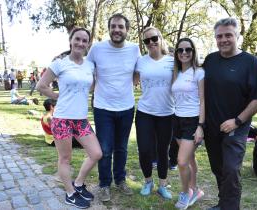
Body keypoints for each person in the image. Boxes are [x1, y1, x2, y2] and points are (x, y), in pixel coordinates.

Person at [202, 18, 257, 210]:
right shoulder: (210, 60)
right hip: (211, 127)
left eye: (228, 35)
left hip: (237, 127)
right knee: (218, 169)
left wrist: (237, 121)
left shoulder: (251, 62)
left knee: (231, 170)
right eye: (219, 36)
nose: (223, 39)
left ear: (237, 36)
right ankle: (223, 204)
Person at [36, 27, 102, 209]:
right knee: (65, 158)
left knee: (96, 153)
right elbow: (41, 85)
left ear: (88, 44)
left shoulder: (90, 65)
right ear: (71, 41)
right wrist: (58, 96)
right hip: (62, 119)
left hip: (80, 119)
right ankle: (70, 194)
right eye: (77, 39)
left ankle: (78, 184)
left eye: (84, 40)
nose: (81, 43)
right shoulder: (60, 63)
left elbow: (91, 86)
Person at [87, 13, 141, 202]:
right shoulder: (97, 49)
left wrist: (130, 85)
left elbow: (138, 72)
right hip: (103, 108)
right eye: (113, 26)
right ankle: (104, 184)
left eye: (121, 26)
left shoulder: (134, 49)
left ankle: (120, 180)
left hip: (126, 108)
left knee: (122, 148)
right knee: (105, 148)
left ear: (127, 30)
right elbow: (86, 70)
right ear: (109, 28)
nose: (117, 30)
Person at [134, 26, 173, 200]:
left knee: (163, 150)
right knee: (144, 149)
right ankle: (148, 181)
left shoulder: (172, 61)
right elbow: (129, 80)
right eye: (146, 40)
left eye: (154, 39)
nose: (151, 43)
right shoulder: (140, 61)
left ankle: (162, 185)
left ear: (160, 38)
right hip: (145, 112)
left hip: (167, 113)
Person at [171, 37, 205, 209]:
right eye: (180, 50)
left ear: (193, 52)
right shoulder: (176, 73)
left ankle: (185, 193)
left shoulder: (199, 72)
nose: (184, 53)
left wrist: (200, 126)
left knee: (182, 161)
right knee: (189, 158)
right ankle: (195, 190)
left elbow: (203, 101)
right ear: (176, 53)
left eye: (188, 49)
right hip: (176, 119)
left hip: (192, 121)